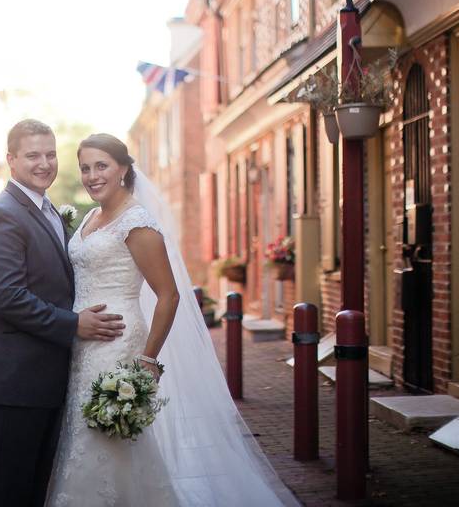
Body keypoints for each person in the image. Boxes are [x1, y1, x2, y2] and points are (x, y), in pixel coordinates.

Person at [45, 133, 297, 506]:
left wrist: (147, 359)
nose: (92, 175)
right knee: (88, 433)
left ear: (124, 170)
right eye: (85, 167)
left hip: (118, 342)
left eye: (102, 166)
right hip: (83, 342)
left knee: (105, 433)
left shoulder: (137, 222)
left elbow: (169, 294)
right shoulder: (92, 216)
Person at [0, 120, 126, 507]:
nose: (44, 163)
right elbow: (8, 297)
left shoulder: (46, 209)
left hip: (45, 377)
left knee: (35, 489)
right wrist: (75, 324)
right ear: (11, 160)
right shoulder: (3, 215)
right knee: (10, 491)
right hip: (16, 380)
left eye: (50, 154)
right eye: (33, 155)